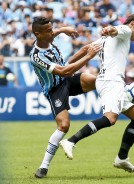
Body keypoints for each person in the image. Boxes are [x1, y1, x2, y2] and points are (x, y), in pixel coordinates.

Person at [59, 13, 134, 173]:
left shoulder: (105, 40)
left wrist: (67, 65)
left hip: (108, 81)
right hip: (111, 82)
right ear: (133, 24)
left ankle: (122, 157)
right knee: (110, 118)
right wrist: (109, 29)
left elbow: (86, 49)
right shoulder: (126, 31)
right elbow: (116, 29)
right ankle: (71, 141)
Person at [30, 16, 102, 178]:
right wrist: (88, 56)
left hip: (67, 79)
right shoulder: (36, 56)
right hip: (55, 88)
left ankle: (119, 100)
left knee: (93, 80)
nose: (52, 33)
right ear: (38, 34)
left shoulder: (46, 37)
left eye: (52, 29)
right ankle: (44, 166)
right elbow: (64, 71)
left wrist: (64, 30)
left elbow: (53, 34)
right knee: (64, 126)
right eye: (49, 31)